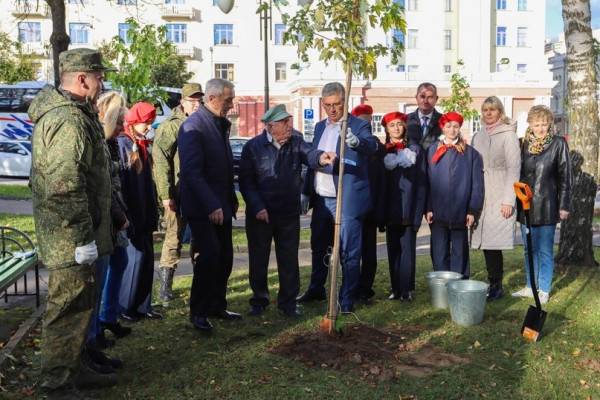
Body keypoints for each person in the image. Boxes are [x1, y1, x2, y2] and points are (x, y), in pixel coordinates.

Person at [29, 48, 117, 397]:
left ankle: (74, 369)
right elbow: (66, 184)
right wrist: (82, 237)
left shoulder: (73, 114)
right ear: (82, 79)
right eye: (98, 76)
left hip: (70, 235)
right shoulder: (68, 118)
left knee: (79, 309)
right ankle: (56, 384)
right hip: (70, 239)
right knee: (67, 311)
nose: (102, 82)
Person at [297, 82, 379, 313]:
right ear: (322, 104)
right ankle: (316, 289)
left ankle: (346, 299)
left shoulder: (358, 125)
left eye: (337, 104)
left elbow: (371, 146)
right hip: (322, 199)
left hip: (346, 200)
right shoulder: (321, 127)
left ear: (346, 102)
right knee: (318, 246)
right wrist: (306, 190)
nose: (333, 110)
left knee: (348, 252)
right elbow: (313, 161)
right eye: (328, 105)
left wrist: (357, 143)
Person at [178, 78, 240, 333]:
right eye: (228, 100)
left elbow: (223, 167)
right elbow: (192, 173)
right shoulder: (194, 126)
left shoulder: (218, 124)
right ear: (213, 99)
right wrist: (212, 205)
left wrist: (230, 201)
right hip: (203, 208)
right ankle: (199, 312)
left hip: (222, 205)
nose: (231, 105)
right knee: (208, 258)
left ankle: (217, 305)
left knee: (225, 257)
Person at [239, 104, 312, 317]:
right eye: (284, 122)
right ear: (271, 126)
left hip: (288, 213)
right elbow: (246, 182)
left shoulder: (296, 142)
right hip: (261, 215)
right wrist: (258, 207)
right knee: (258, 259)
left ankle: (288, 303)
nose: (289, 125)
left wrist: (321, 157)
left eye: (288, 121)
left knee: (289, 259)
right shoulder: (253, 147)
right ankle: (259, 301)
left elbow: (311, 154)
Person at [512, 105, 571, 304]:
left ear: (550, 125)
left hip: (547, 206)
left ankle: (544, 288)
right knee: (529, 249)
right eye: (536, 124)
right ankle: (530, 286)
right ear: (530, 125)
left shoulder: (558, 144)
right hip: (526, 206)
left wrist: (564, 206)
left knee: (545, 249)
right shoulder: (523, 145)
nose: (540, 128)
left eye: (544, 124)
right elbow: (518, 174)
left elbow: (565, 177)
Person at [153, 83, 204, 304]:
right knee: (173, 239)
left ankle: (200, 283)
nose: (197, 104)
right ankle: (165, 288)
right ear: (182, 101)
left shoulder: (201, 123)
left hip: (199, 193)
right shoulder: (171, 126)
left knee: (200, 240)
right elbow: (161, 160)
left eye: (199, 100)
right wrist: (166, 194)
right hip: (177, 192)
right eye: (193, 101)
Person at [470, 96, 521, 300]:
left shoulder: (509, 135)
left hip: (500, 191)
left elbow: (514, 168)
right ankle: (489, 282)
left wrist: (509, 199)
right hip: (481, 192)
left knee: (493, 243)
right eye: (485, 110)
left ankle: (496, 285)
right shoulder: (477, 136)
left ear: (500, 112)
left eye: (493, 110)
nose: (488, 114)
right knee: (483, 241)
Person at [117, 102, 162, 321]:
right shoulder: (124, 143)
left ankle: (143, 305)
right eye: (146, 122)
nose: (148, 127)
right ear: (134, 121)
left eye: (151, 123)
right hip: (133, 212)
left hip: (145, 211)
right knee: (135, 260)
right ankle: (127, 306)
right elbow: (124, 183)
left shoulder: (142, 144)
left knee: (146, 260)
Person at [426, 112, 484, 277]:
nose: (452, 130)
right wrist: (428, 207)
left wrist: (473, 210)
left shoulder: (470, 153)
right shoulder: (432, 151)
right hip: (438, 211)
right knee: (439, 251)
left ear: (460, 128)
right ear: (442, 127)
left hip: (461, 211)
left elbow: (477, 184)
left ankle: (460, 285)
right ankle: (442, 285)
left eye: (456, 126)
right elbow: (427, 181)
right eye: (448, 126)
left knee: (459, 251)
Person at [95, 92, 133, 340]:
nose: (122, 128)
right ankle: (97, 328)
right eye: (119, 122)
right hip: (106, 217)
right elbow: (103, 184)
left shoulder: (110, 141)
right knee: (103, 271)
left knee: (120, 262)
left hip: (116, 211)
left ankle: (108, 317)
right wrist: (119, 217)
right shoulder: (99, 139)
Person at [381, 112, 427, 301]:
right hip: (390, 207)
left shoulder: (414, 150)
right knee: (393, 249)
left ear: (405, 127)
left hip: (408, 206)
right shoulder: (383, 151)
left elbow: (421, 182)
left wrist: (418, 210)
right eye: (392, 125)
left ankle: (407, 288)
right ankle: (395, 288)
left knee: (407, 249)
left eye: (399, 124)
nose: (396, 128)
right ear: (386, 128)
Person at [350, 104, 386, 304]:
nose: (367, 125)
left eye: (369, 121)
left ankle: (365, 288)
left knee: (369, 252)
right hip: (353, 205)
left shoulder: (377, 146)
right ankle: (351, 287)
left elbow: (382, 179)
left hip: (370, 207)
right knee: (352, 251)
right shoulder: (349, 142)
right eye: (363, 121)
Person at [407, 82, 443, 150]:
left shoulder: (444, 121)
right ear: (416, 97)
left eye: (430, 97)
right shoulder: (405, 120)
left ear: (436, 99)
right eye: (422, 96)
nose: (425, 101)